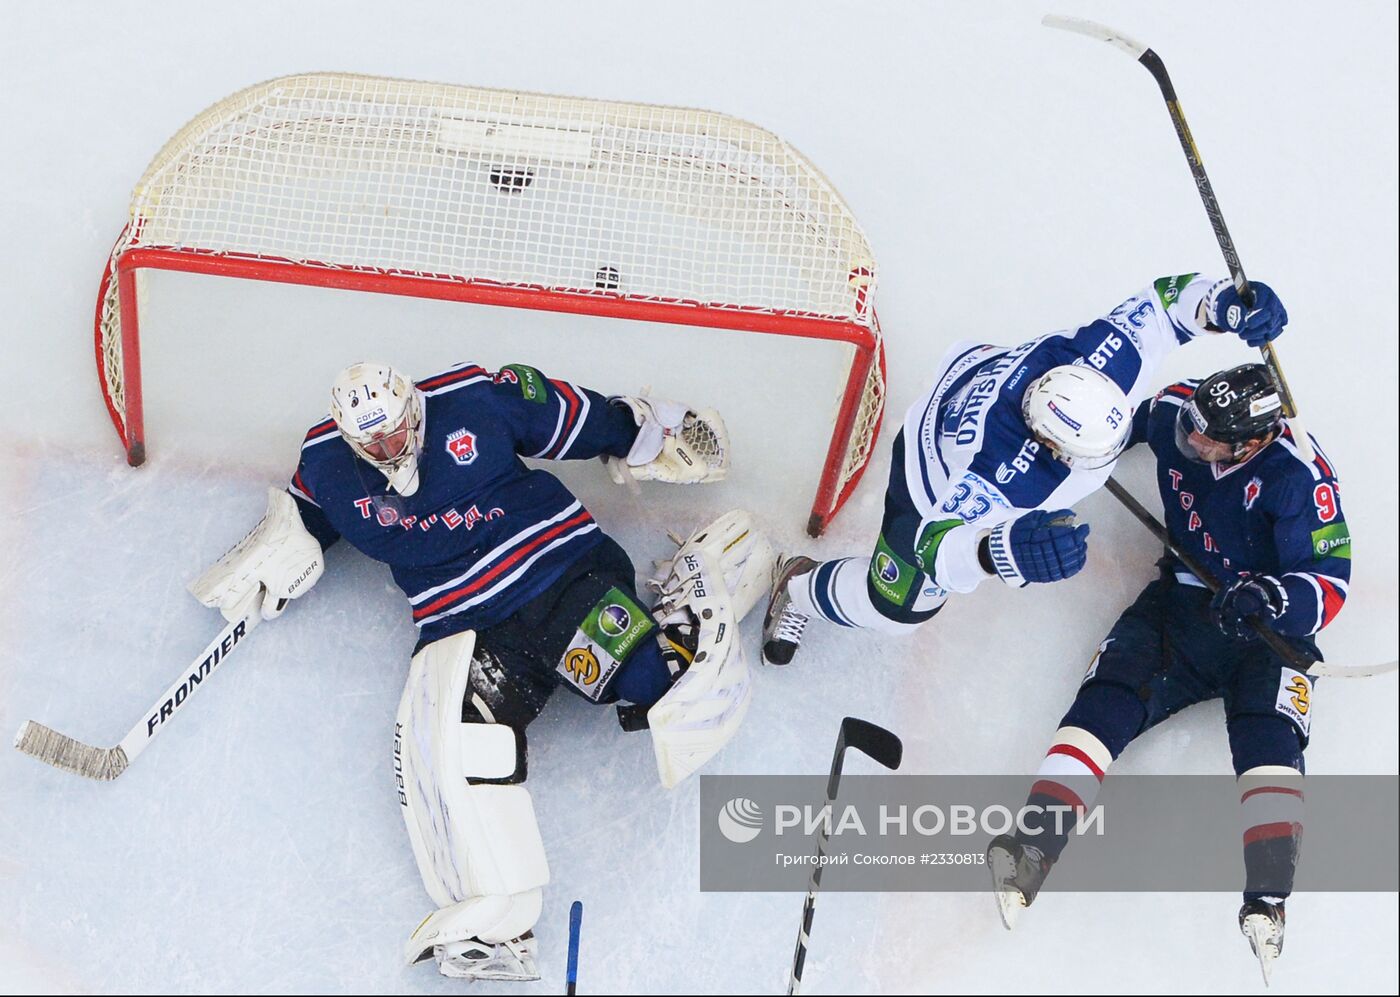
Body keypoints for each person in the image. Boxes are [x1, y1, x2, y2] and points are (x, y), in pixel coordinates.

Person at [186, 360, 773, 981]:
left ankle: (710, 581)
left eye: (395, 433)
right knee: (458, 746)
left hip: (557, 577)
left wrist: (643, 432)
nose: (388, 450)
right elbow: (313, 511)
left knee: (656, 688)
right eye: (372, 444)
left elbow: (571, 418)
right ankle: (503, 920)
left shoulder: (473, 401)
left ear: (413, 409)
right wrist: (281, 548)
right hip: (462, 625)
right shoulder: (328, 459)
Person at [987, 363, 1350, 982]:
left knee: (1271, 743)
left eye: (1210, 441)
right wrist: (1064, 446)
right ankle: (1030, 845)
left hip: (1267, 633)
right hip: (1180, 606)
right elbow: (1115, 425)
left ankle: (1267, 899)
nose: (1192, 444)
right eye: (1192, 430)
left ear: (1253, 442)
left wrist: (1273, 598)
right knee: (1108, 700)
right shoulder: (1179, 411)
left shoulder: (1300, 477)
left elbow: (1331, 582)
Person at [760, 274, 1289, 665]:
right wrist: (996, 551)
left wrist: (1223, 303)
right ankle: (799, 585)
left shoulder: (1101, 359)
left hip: (977, 376)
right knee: (898, 609)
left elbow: (1168, 303)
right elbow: (933, 545)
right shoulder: (994, 477)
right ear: (1045, 444)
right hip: (930, 470)